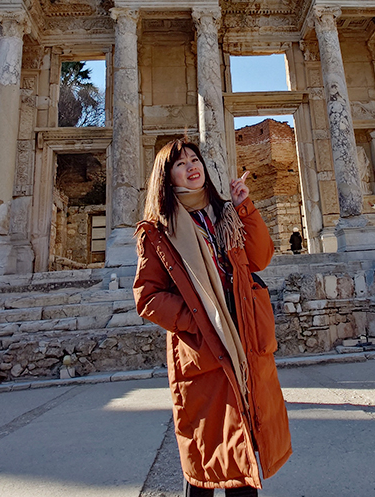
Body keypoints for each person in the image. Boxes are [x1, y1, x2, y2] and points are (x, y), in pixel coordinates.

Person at [134, 138, 291, 496]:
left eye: (195, 159)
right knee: (206, 458)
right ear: (166, 175)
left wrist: (244, 206)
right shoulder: (157, 232)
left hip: (244, 340)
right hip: (202, 349)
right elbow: (148, 297)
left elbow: (260, 259)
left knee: (242, 452)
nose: (192, 166)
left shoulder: (226, 215)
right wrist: (197, 319)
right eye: (180, 163)